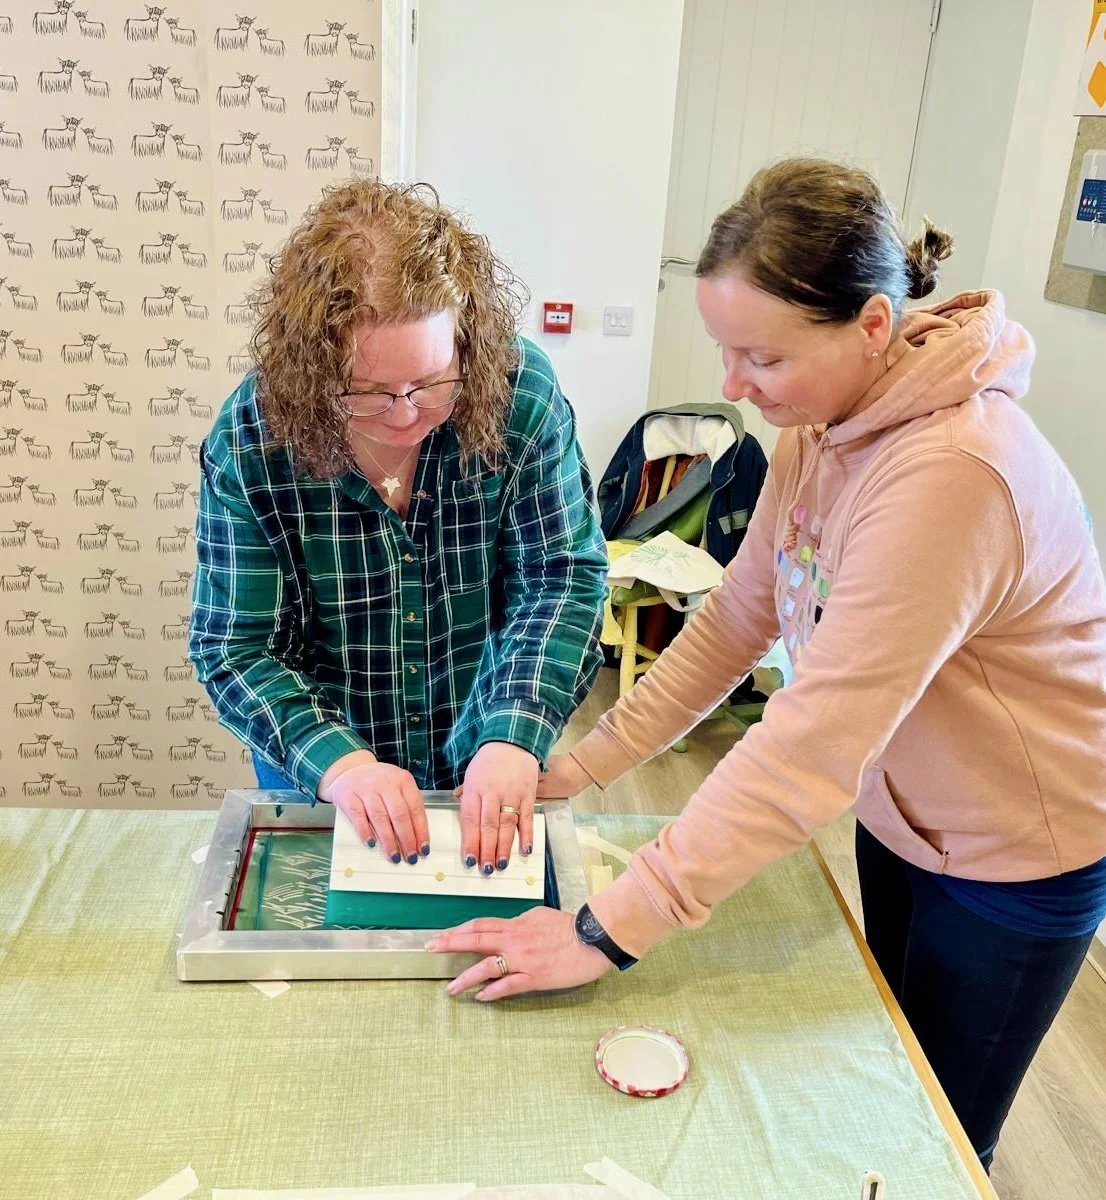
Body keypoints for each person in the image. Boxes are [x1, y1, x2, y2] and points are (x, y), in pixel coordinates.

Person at [428, 158, 1106, 1170]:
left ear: (870, 325)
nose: (731, 385)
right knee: (885, 1066)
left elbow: (807, 746)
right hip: (907, 810)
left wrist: (604, 931)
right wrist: (580, 766)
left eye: (761, 358)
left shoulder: (952, 473)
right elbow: (735, 620)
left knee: (944, 1132)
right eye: (723, 350)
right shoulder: (819, 426)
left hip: (1018, 845)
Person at [189, 179, 607, 875]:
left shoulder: (518, 394)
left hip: (485, 744)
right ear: (312, 370)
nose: (407, 414)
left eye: (431, 381)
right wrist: (343, 766)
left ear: (466, 340)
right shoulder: (253, 438)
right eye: (368, 392)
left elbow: (561, 579)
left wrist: (513, 735)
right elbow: (234, 648)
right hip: (322, 771)